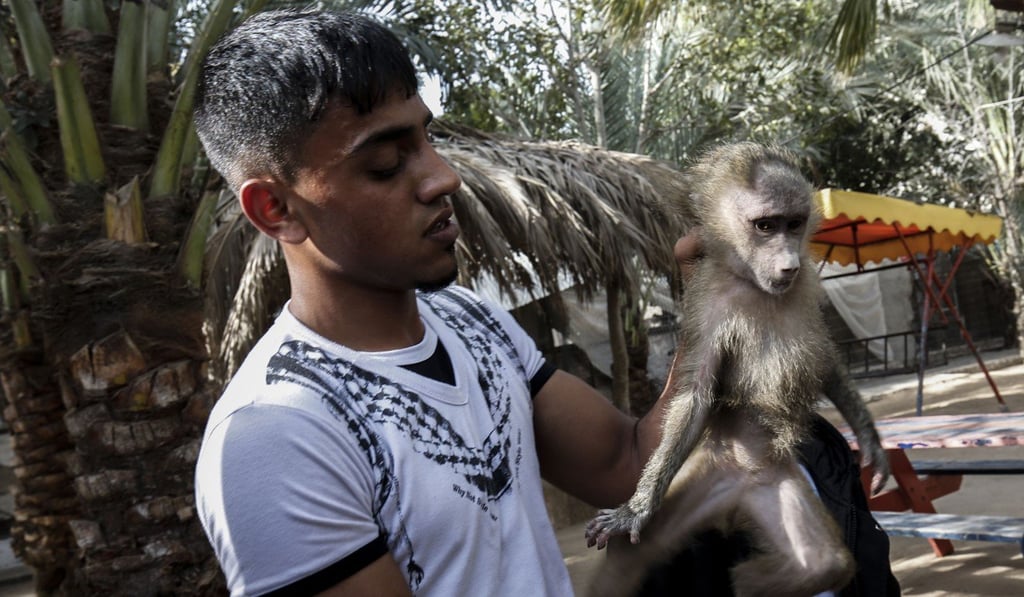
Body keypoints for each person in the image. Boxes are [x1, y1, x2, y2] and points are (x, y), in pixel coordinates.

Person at [192, 8, 897, 596]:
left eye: (428, 139)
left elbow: (626, 461)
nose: (441, 178)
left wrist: (712, 309)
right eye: (385, 162)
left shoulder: (473, 325)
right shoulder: (275, 435)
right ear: (275, 207)